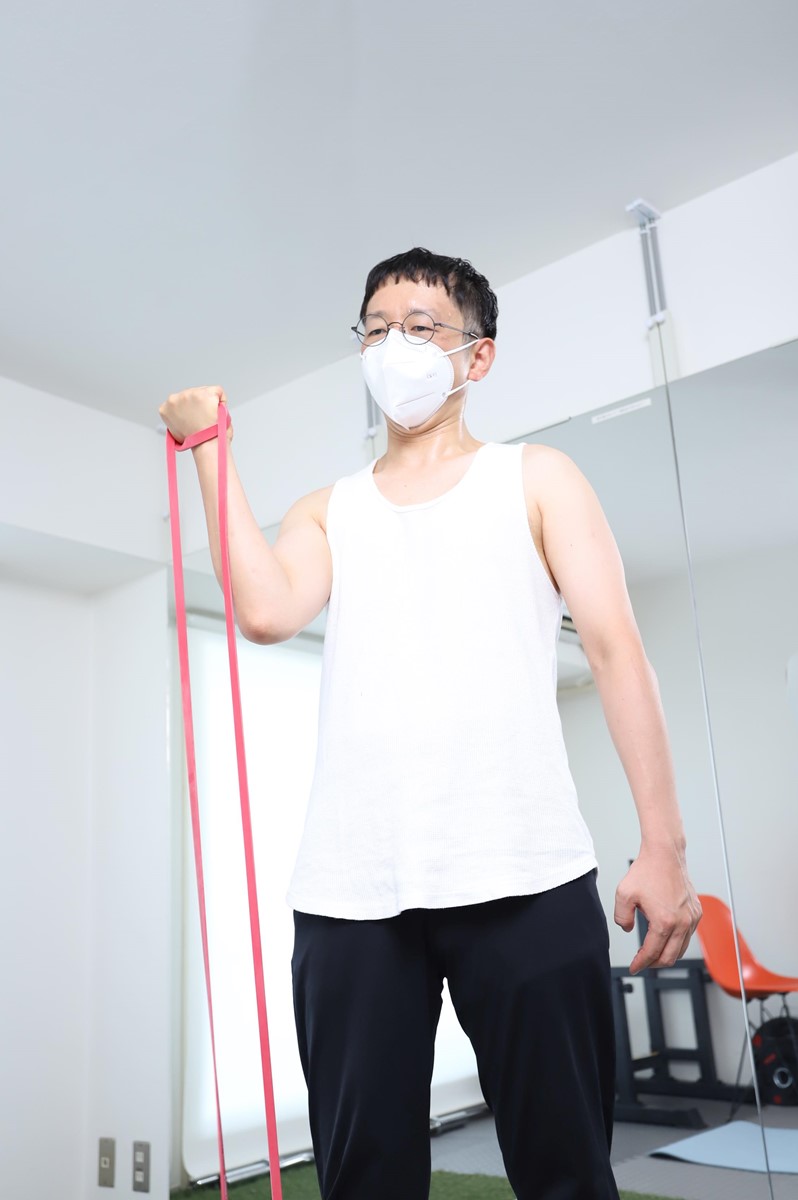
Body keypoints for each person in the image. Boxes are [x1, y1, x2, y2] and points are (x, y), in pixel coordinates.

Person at [160, 247, 702, 1200]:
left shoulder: (538, 478)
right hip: (352, 893)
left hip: (525, 873)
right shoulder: (328, 510)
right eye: (376, 330)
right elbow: (266, 611)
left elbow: (618, 653)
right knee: (364, 1181)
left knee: (567, 1174)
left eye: (419, 327)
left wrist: (664, 846)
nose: (393, 347)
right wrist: (211, 449)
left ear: (477, 355)